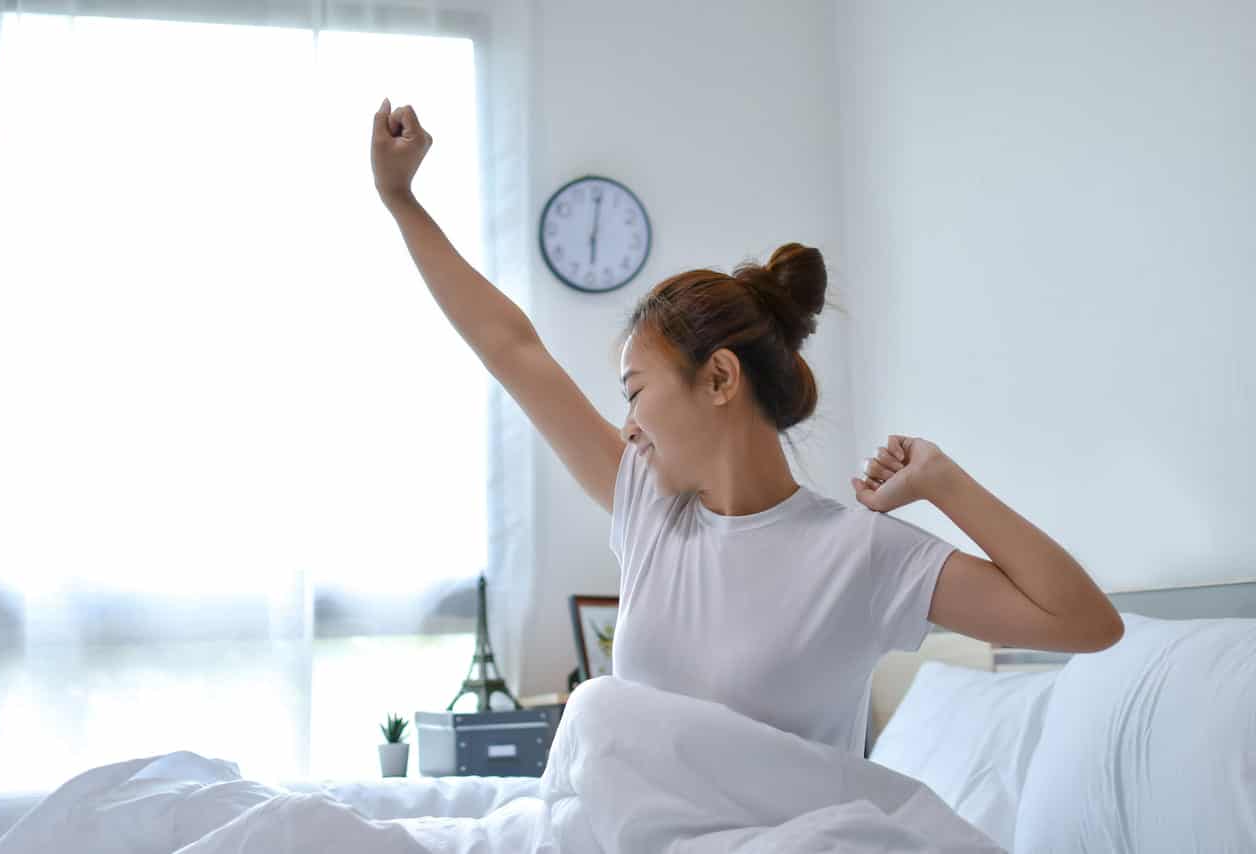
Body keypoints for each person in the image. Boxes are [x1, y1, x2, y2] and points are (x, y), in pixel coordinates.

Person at [369, 98, 1124, 757]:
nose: (627, 426)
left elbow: (1087, 625)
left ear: (720, 379)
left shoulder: (859, 555)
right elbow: (513, 349)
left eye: (636, 393)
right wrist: (402, 201)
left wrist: (945, 483)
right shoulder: (649, 511)